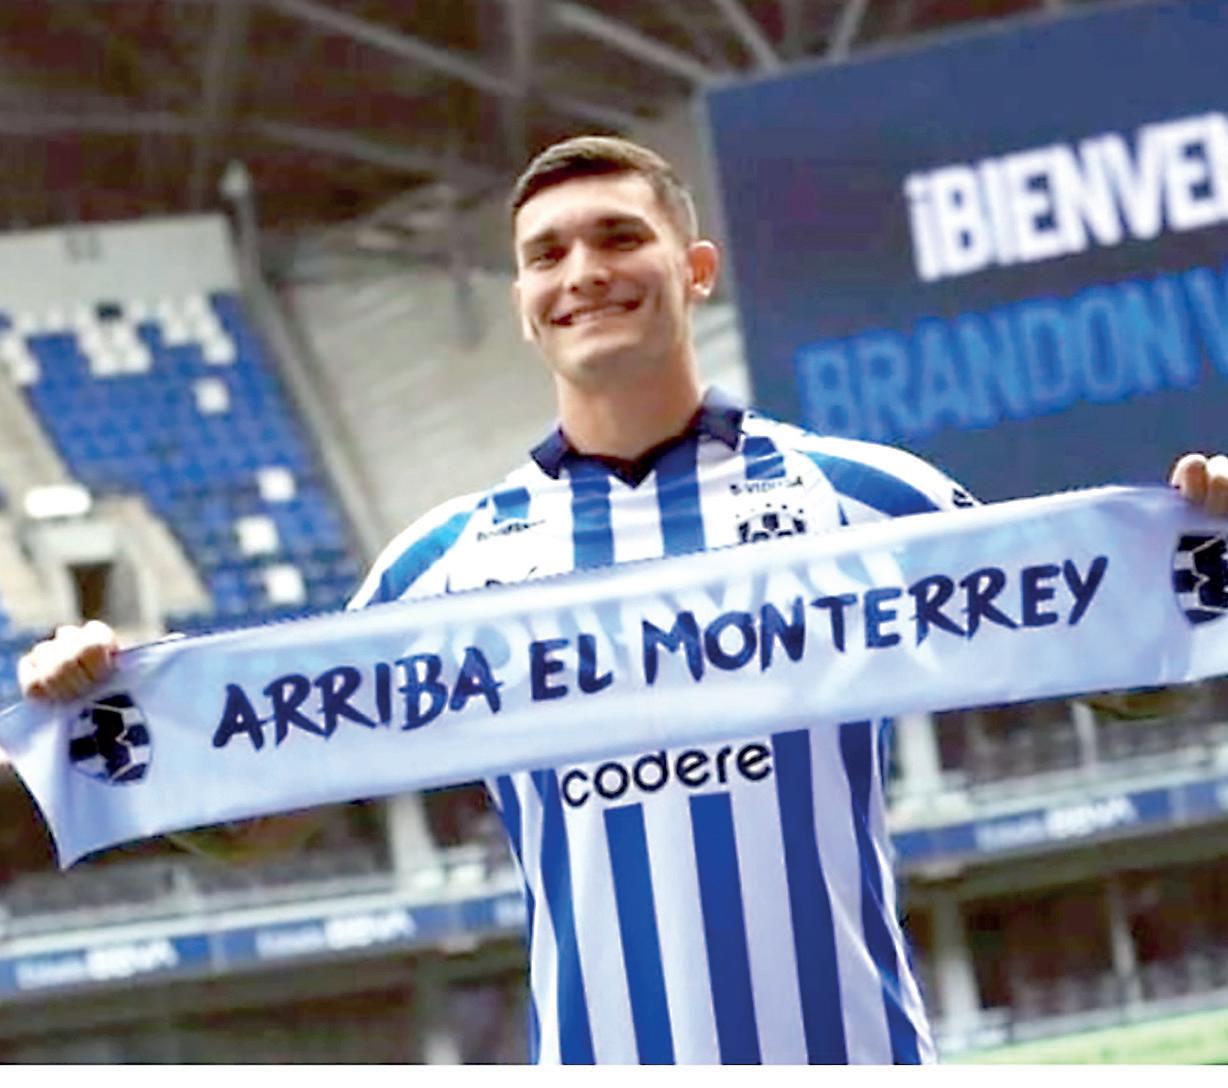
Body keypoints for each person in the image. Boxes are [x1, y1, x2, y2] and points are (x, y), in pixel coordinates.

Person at [18, 136, 1228, 1064]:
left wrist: (1203, 553)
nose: (582, 272)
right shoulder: (443, 566)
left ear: (693, 269)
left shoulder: (863, 496)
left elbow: (1116, 676)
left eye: (616, 237)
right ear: (520, 300)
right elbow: (266, 819)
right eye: (546, 254)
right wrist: (113, 714)